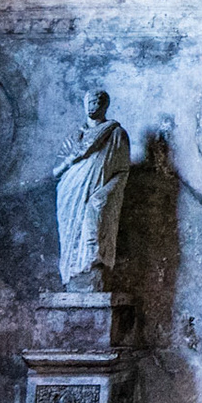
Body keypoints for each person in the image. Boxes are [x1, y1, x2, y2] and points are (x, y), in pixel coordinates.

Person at [53, 90, 129, 288]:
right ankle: (73, 276)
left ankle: (93, 269)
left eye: (97, 102)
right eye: (90, 101)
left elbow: (122, 170)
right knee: (71, 237)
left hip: (97, 194)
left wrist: (105, 194)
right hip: (70, 193)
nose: (93, 105)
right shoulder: (74, 137)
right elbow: (56, 172)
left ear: (105, 105)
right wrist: (71, 159)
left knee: (93, 230)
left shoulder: (116, 134)